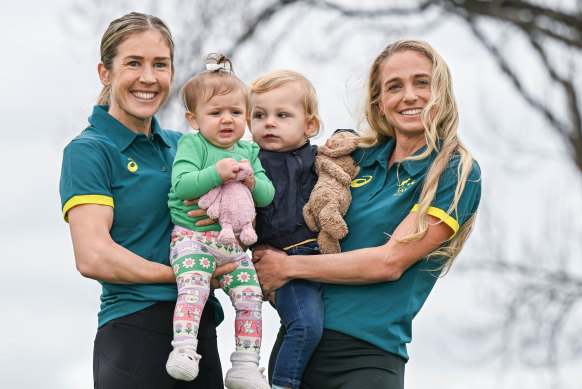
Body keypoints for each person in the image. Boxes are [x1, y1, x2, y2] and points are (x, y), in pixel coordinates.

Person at [252, 39, 482, 389]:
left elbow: (389, 262)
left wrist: (286, 266)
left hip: (367, 360)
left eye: (422, 82)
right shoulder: (350, 158)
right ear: (380, 102)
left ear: (441, 91)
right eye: (394, 86)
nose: (409, 96)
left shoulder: (454, 171)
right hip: (297, 347)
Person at [59, 12, 232, 389]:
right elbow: (93, 255)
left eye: (160, 64)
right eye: (133, 63)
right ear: (105, 73)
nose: (148, 78)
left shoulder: (184, 146)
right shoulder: (90, 151)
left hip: (200, 332)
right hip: (135, 332)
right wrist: (185, 274)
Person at [166, 54, 275, 389]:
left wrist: (253, 183)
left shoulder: (250, 152)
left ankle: (245, 365)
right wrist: (216, 173)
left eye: (235, 112)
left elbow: (267, 195)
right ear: (194, 119)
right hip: (193, 237)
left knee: (250, 295)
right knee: (194, 286)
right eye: (215, 113)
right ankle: (184, 349)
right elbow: (182, 184)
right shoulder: (192, 144)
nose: (227, 120)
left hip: (233, 244)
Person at [248, 70, 323, 389]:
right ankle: (283, 382)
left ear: (310, 126)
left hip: (321, 257)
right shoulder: (248, 162)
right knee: (306, 327)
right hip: (284, 261)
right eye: (259, 115)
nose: (269, 123)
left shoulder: (319, 158)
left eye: (282, 115)